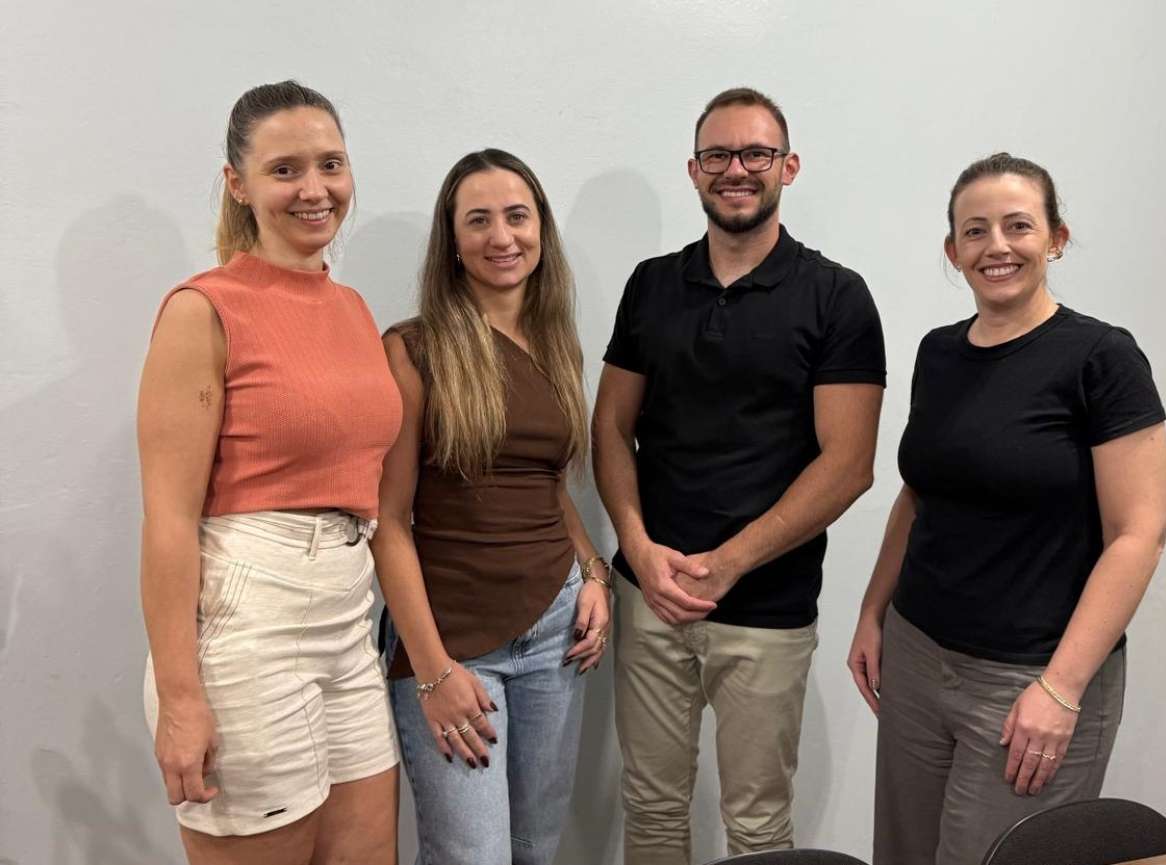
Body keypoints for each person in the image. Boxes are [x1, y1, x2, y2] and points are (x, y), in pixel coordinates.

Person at [848, 152, 1166, 865]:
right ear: (953, 250)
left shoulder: (1102, 358)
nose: (997, 245)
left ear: (1056, 238)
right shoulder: (938, 353)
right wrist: (873, 611)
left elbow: (1139, 534)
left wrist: (1061, 689)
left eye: (1018, 225)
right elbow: (920, 492)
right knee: (901, 854)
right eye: (975, 230)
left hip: (1031, 678)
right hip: (916, 654)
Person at [593, 87, 887, 865]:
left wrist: (729, 563)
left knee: (757, 825)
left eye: (756, 153)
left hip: (766, 607)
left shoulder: (836, 296)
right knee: (652, 807)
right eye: (718, 154)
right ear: (694, 170)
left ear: (788, 166)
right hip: (650, 593)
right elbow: (610, 428)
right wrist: (639, 549)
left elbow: (849, 464)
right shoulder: (651, 284)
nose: (737, 169)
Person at [138, 81, 401, 865]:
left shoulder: (352, 308)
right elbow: (168, 520)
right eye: (285, 170)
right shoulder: (202, 308)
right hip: (249, 619)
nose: (315, 189)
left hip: (349, 616)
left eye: (331, 164)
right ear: (238, 184)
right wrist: (180, 697)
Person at [372, 148, 609, 865]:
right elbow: (388, 521)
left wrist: (595, 575)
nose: (501, 236)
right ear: (452, 240)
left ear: (541, 230)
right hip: (452, 641)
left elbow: (551, 485)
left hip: (556, 633)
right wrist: (433, 670)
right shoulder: (413, 349)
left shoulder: (556, 343)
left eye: (517, 216)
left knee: (535, 848)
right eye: (478, 220)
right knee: (470, 855)